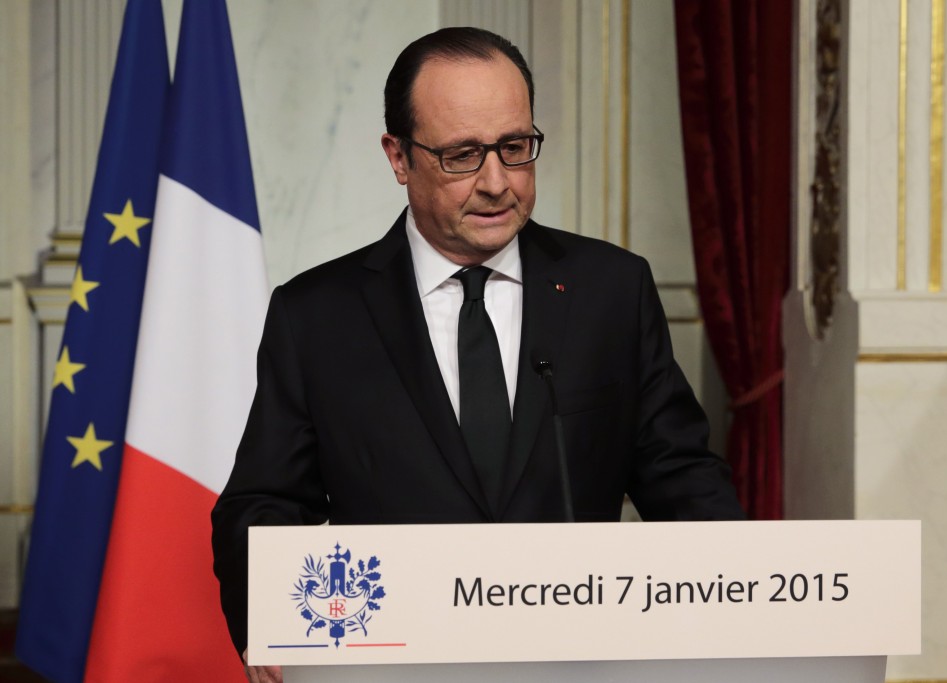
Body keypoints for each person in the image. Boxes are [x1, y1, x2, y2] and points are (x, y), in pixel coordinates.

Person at [212, 26, 744, 683]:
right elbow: (262, 505)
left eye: (515, 148)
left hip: (578, 661)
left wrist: (740, 597)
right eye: (463, 155)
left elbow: (682, 474)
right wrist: (268, 616)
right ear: (399, 157)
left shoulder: (611, 289)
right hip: (395, 667)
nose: (497, 182)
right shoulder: (318, 315)